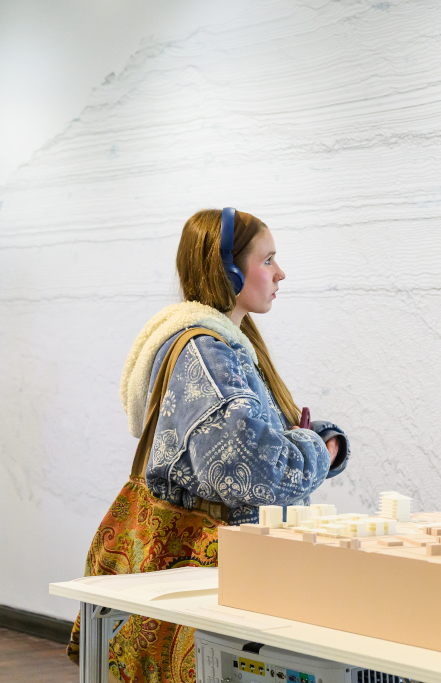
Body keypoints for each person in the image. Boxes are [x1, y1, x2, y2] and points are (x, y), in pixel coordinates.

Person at [69, 207, 349, 682]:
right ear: (230, 270)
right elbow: (248, 470)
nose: (280, 273)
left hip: (232, 570)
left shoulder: (225, 343)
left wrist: (313, 438)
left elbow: (249, 436)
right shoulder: (207, 352)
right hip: (219, 570)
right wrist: (316, 450)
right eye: (268, 260)